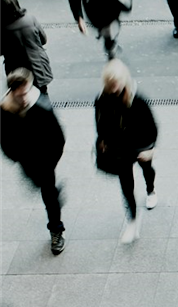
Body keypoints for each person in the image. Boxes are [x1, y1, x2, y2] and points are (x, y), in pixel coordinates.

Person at [0, 68, 66, 255]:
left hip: (45, 161)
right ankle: (54, 192)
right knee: (38, 183)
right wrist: (15, 156)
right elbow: (4, 139)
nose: (25, 98)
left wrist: (50, 162)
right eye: (20, 95)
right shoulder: (5, 110)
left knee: (48, 195)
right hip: (26, 161)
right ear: (12, 92)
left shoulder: (42, 108)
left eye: (27, 92)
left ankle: (56, 230)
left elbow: (58, 139)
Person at [94, 59, 158, 244]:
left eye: (117, 82)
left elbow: (151, 127)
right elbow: (100, 123)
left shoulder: (137, 100)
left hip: (139, 145)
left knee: (147, 170)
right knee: (126, 187)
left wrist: (151, 149)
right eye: (111, 83)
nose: (114, 87)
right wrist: (102, 141)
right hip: (119, 149)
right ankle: (132, 221)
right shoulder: (102, 99)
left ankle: (151, 190)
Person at [1, 0, 52, 94]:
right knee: (42, 95)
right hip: (39, 68)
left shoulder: (3, 29)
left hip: (18, 72)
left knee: (23, 98)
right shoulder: (30, 19)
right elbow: (43, 40)